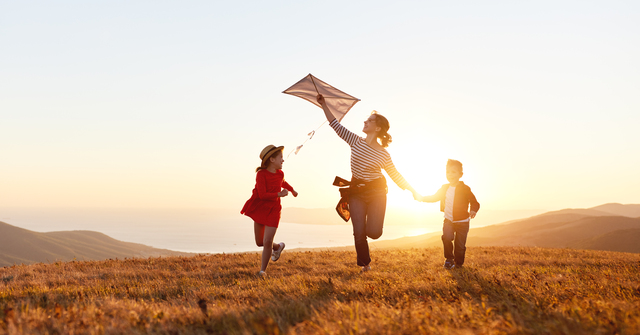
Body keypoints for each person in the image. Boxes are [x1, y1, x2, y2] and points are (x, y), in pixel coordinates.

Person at [317, 94, 419, 272]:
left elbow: (395, 174)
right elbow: (335, 124)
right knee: (358, 232)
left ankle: (366, 230)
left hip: (377, 193)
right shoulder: (355, 141)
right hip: (356, 192)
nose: (365, 122)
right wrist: (324, 104)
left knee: (374, 232)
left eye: (369, 120)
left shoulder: (384, 155)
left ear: (378, 128)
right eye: (366, 119)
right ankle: (365, 265)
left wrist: (412, 190)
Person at [241, 145, 298, 277]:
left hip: (274, 209)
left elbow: (283, 182)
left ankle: (262, 271)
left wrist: (292, 190)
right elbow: (262, 195)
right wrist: (279, 194)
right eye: (281, 158)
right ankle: (277, 247)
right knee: (260, 242)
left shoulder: (280, 173)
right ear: (272, 160)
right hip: (260, 208)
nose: (283, 161)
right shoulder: (261, 174)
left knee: (267, 242)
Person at [416, 159, 479, 269]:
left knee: (459, 245)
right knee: (446, 237)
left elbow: (475, 202)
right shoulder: (444, 188)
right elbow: (434, 197)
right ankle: (449, 259)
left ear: (460, 174)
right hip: (448, 220)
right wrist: (422, 198)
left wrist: (473, 210)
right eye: (448, 172)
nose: (450, 175)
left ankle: (459, 264)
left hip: (463, 222)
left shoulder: (465, 189)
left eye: (453, 172)